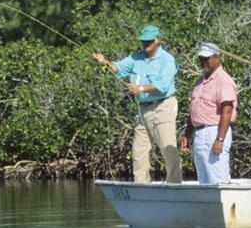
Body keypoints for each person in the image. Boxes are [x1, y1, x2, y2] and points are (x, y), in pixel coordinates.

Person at [93, 25, 182, 184]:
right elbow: (117, 68)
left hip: (163, 106)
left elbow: (163, 85)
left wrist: (140, 88)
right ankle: (141, 185)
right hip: (143, 109)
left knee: (167, 148)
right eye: (143, 42)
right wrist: (104, 61)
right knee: (138, 150)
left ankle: (174, 183)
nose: (145, 45)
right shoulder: (136, 58)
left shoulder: (167, 60)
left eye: (148, 42)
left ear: (157, 40)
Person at [181, 42, 237, 184]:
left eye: (206, 59)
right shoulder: (200, 81)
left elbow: (227, 111)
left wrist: (219, 139)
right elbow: (194, 109)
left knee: (217, 178)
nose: (203, 62)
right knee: (203, 180)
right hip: (199, 134)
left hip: (215, 131)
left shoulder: (224, 81)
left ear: (217, 57)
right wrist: (187, 134)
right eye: (201, 59)